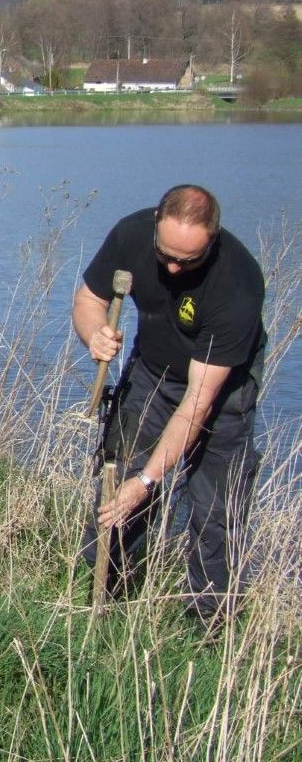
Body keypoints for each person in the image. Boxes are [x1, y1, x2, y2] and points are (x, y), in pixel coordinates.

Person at [72, 184, 264, 626]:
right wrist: (94, 333)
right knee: (117, 487)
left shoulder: (238, 285)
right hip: (151, 376)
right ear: (157, 220)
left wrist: (149, 479)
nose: (175, 268)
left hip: (220, 395)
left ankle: (210, 627)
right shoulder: (131, 235)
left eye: (189, 260)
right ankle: (103, 597)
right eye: (166, 255)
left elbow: (197, 404)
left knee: (214, 512)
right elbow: (88, 300)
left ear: (212, 239)